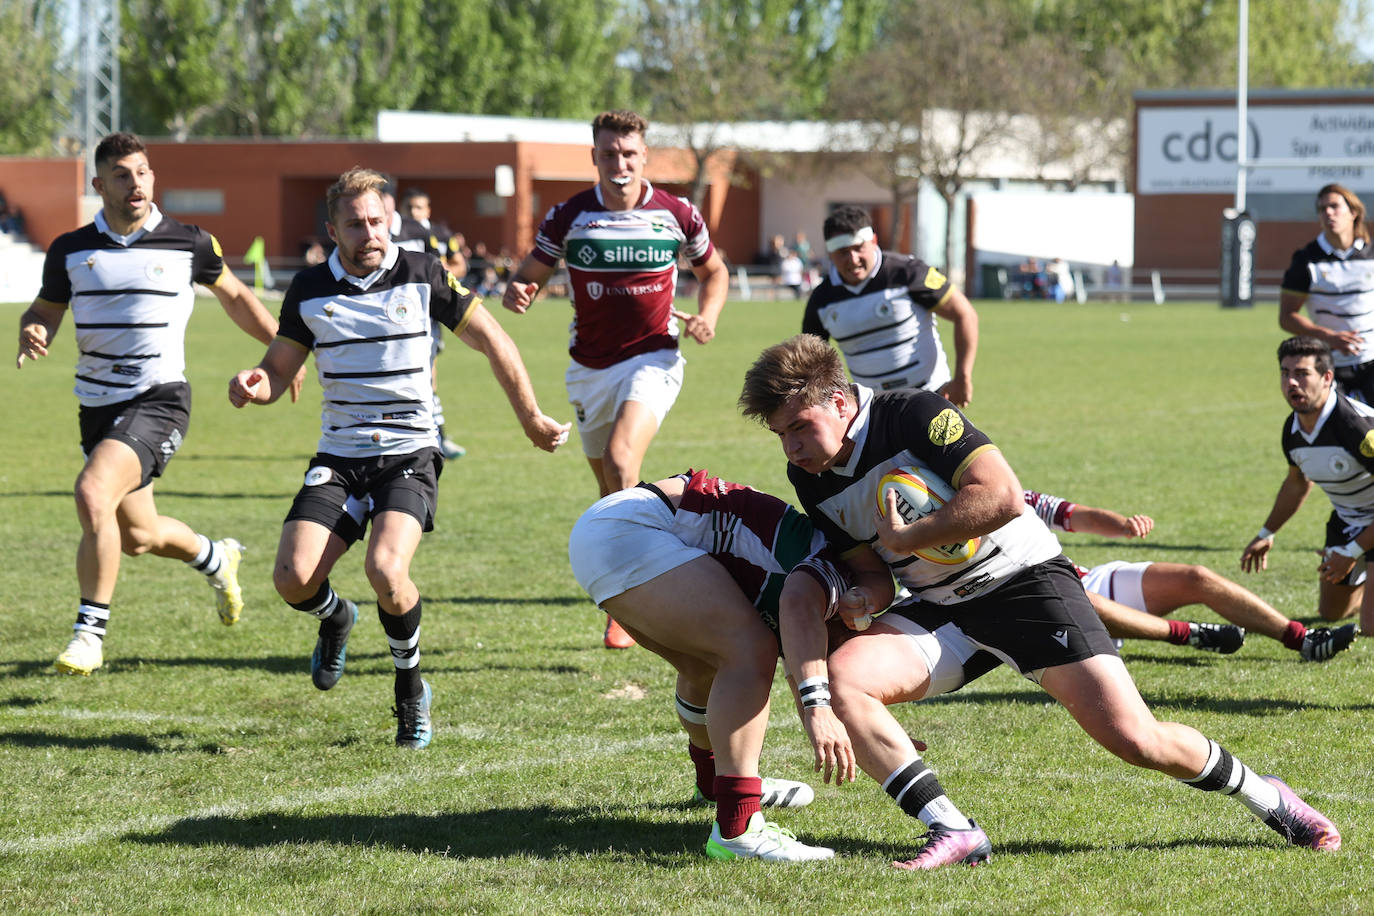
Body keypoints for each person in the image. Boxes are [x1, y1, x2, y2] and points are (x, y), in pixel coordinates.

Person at [739, 333, 1342, 867]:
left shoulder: (915, 414)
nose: (791, 447)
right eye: (780, 435)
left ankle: (1270, 797)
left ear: (840, 401)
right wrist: (863, 604)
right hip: (942, 609)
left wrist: (910, 537)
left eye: (799, 426)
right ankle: (951, 830)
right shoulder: (810, 475)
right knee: (844, 679)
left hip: (1025, 582)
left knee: (1137, 740)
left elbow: (1001, 496)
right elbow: (870, 569)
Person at [228, 167, 569, 748]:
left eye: (378, 221)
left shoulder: (421, 273)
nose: (370, 234)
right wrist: (253, 383)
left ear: (391, 221)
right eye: (356, 225)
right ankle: (337, 618)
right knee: (291, 579)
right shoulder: (309, 289)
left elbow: (495, 341)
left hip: (409, 450)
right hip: (339, 454)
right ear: (333, 230)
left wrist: (532, 418)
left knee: (386, 570)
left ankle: (410, 687)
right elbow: (279, 368)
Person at [14, 131, 300, 677]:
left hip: (160, 399)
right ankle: (218, 557)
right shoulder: (70, 250)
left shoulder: (188, 241)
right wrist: (35, 330)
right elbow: (45, 310)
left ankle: (88, 634)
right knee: (138, 537)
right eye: (122, 175)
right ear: (99, 185)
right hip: (97, 406)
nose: (136, 183)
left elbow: (238, 297)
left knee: (92, 491)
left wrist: (284, 358)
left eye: (143, 171)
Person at [502, 109, 730, 650]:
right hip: (588, 368)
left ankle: (633, 600)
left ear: (644, 156)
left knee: (624, 462)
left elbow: (713, 272)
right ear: (595, 157)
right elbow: (528, 274)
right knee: (608, 487)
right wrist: (519, 291)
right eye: (609, 154)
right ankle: (648, 554)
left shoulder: (677, 213)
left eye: (629, 153)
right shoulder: (569, 216)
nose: (620, 163)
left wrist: (709, 315)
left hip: (653, 359)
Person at [1025, 489, 1356, 661]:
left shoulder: (1009, 492)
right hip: (1039, 609)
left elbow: (1072, 514)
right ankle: (1190, 633)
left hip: (1086, 580)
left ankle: (1305, 640)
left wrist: (1122, 525)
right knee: (1079, 600)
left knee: (1196, 577)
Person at [1243, 335, 1374, 638]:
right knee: (1331, 614)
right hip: (1349, 521)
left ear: (1327, 377)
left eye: (1302, 374)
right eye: (1285, 373)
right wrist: (1266, 533)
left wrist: (1353, 551)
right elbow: (1296, 483)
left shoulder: (1358, 429)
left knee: (1369, 628)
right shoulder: (1293, 429)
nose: (1291, 382)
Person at [801, 205, 978, 409]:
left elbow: (965, 314)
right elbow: (811, 360)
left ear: (874, 241)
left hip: (933, 396)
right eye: (842, 252)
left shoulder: (908, 272)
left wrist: (962, 377)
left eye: (859, 248)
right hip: (874, 409)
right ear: (830, 254)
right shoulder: (822, 299)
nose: (853, 259)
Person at [1278, 184, 1374, 404]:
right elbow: (1286, 317)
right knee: (1338, 433)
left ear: (1353, 212)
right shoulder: (1306, 260)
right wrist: (1328, 336)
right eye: (1322, 209)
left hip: (1371, 362)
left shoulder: (1371, 254)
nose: (1328, 213)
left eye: (1334, 206)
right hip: (1329, 365)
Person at [394, 187, 465, 461]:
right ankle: (429, 436)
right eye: (410, 208)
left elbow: (457, 265)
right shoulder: (390, 233)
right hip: (395, 315)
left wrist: (435, 276)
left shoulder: (437, 235)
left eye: (419, 208)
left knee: (426, 375)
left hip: (427, 315)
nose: (414, 213)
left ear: (428, 210)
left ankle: (435, 437)